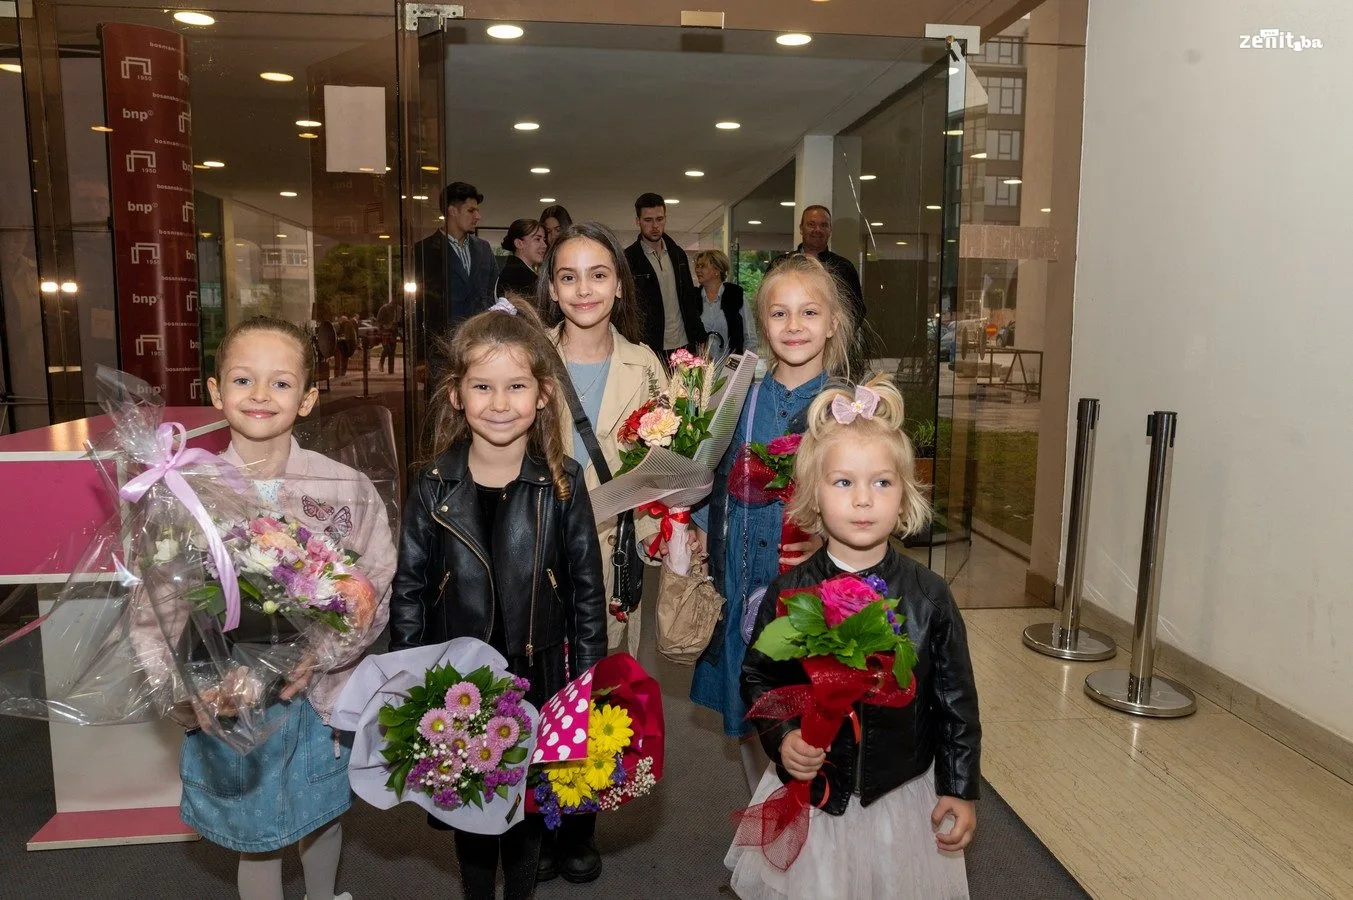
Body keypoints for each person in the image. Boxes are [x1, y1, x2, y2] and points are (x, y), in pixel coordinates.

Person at [138, 316, 397, 900]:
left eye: (281, 383)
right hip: (231, 694)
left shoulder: (344, 486)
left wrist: (323, 652)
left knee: (322, 810)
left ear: (307, 399)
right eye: (243, 379)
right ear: (215, 391)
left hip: (320, 692)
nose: (260, 394)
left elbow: (375, 582)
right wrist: (179, 686)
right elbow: (158, 602)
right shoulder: (186, 492)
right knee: (254, 832)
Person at [388, 296, 607, 900]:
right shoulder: (433, 484)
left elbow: (587, 594)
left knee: (527, 807)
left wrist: (586, 688)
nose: (500, 403)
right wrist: (407, 676)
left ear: (543, 395)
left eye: (516, 386)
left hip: (539, 672)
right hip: (459, 680)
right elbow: (409, 590)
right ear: (456, 395)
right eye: (482, 386)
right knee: (470, 803)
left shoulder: (563, 482)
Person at [730, 375, 980, 899]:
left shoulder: (929, 596)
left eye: (882, 483)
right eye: (843, 482)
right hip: (819, 793)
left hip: (900, 793)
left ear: (904, 497)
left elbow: (955, 702)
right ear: (813, 496)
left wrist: (959, 787)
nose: (864, 499)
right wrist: (784, 738)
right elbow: (760, 677)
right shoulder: (790, 590)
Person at [688, 254, 854, 794]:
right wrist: (692, 528)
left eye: (810, 312)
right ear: (763, 324)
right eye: (780, 313)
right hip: (743, 579)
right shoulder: (740, 398)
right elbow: (710, 471)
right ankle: (765, 810)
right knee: (755, 705)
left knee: (813, 707)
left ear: (832, 323)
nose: (794, 325)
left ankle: (809, 814)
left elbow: (869, 493)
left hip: (815, 588)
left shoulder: (846, 409)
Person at [536, 221, 664, 885]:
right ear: (552, 289)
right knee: (537, 686)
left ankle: (578, 826)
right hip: (537, 552)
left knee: (598, 690)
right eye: (568, 276)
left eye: (598, 274)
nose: (583, 289)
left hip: (613, 556)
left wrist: (666, 529)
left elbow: (666, 469)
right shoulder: (525, 358)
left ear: (619, 285)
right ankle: (536, 823)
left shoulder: (647, 367)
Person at [413, 181, 500, 386]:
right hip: (441, 351)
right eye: (471, 210)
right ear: (452, 211)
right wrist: (420, 356)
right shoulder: (424, 251)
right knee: (442, 404)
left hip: (480, 348)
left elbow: (494, 295)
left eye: (477, 210)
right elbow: (417, 307)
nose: (478, 216)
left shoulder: (484, 249)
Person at [624, 192, 705, 359]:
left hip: (684, 344)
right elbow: (626, 306)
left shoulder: (678, 254)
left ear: (665, 219)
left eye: (659, 219)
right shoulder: (629, 258)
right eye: (648, 220)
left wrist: (700, 336)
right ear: (638, 221)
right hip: (648, 346)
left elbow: (689, 299)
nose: (655, 225)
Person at [793, 206, 865, 330]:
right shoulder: (782, 264)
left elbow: (857, 310)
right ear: (801, 228)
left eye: (824, 225)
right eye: (811, 224)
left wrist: (837, 335)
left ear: (830, 230)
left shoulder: (844, 267)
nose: (817, 230)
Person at [693, 248, 754, 356]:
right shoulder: (693, 299)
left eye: (703, 266)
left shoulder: (735, 296)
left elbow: (750, 337)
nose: (698, 270)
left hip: (732, 364)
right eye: (697, 266)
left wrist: (746, 365)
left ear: (717, 270)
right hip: (700, 366)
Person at [497, 218, 547, 301]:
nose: (544, 245)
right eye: (537, 239)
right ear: (519, 243)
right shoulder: (518, 275)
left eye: (544, 240)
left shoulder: (512, 269)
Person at [375, 297, 401, 374]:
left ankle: (391, 370)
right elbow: (378, 321)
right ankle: (381, 363)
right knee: (387, 349)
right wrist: (383, 328)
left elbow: (400, 321)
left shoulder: (399, 309)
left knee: (392, 351)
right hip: (385, 332)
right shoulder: (384, 308)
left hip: (394, 332)